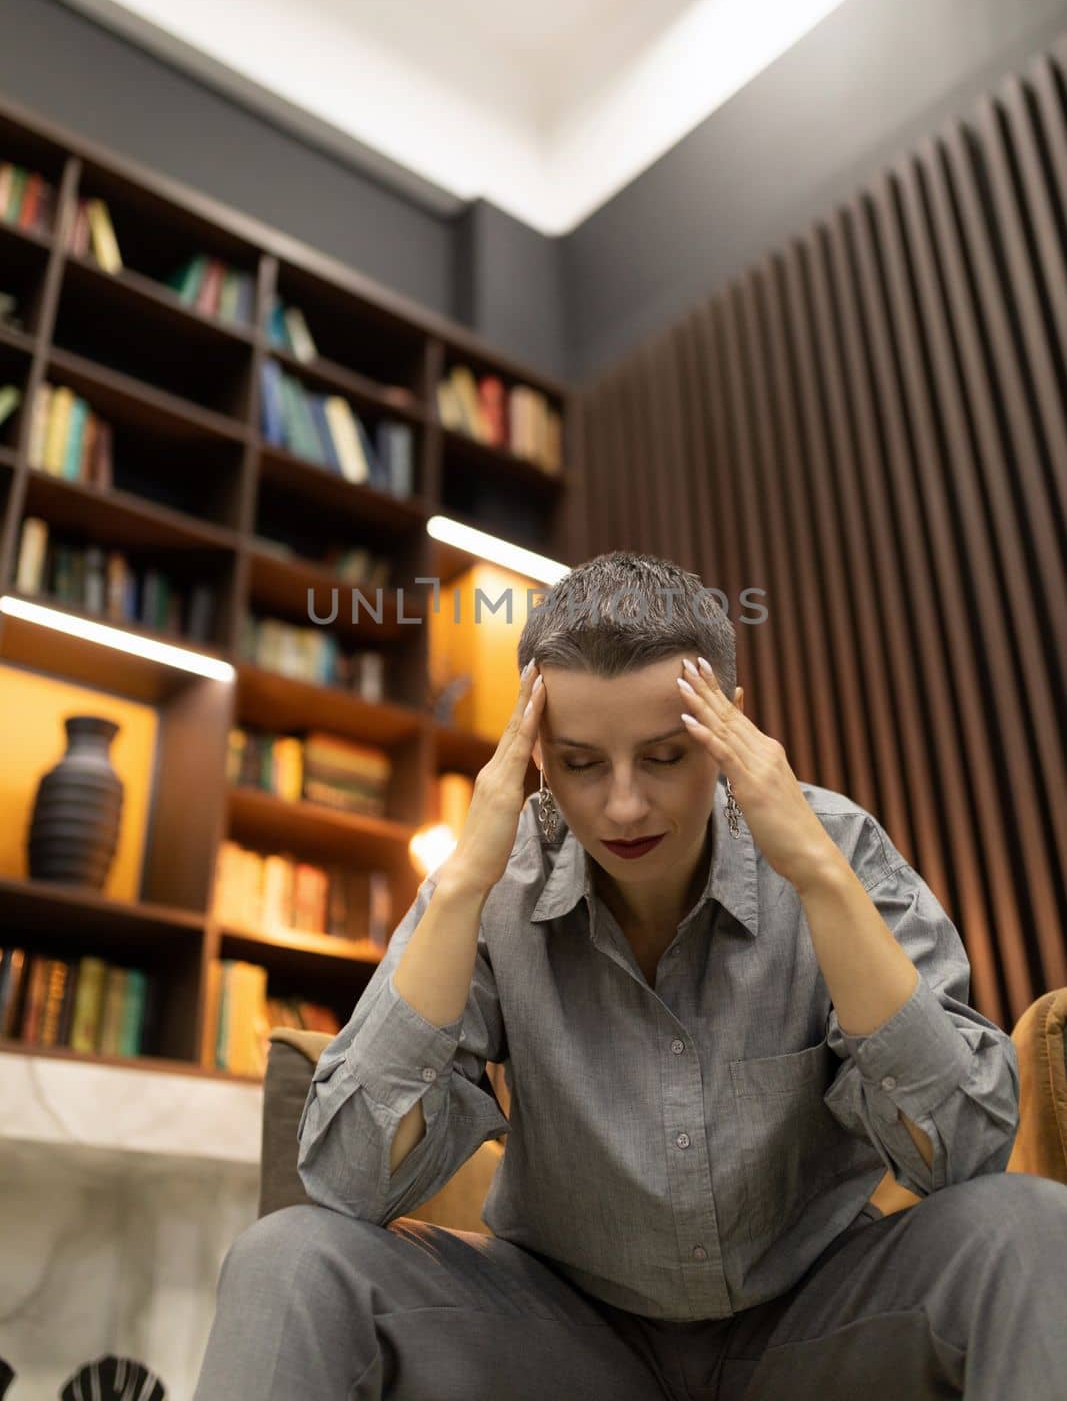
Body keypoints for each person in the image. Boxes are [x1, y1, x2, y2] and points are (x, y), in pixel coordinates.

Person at [192, 551, 1067, 1400]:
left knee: (1031, 1226)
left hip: (817, 1326)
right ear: (533, 751)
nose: (622, 806)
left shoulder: (834, 850)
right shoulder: (493, 882)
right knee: (290, 1257)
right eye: (578, 764)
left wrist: (818, 878)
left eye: (665, 756)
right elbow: (346, 1181)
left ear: (728, 724)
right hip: (561, 1340)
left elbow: (966, 1150)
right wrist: (461, 884)